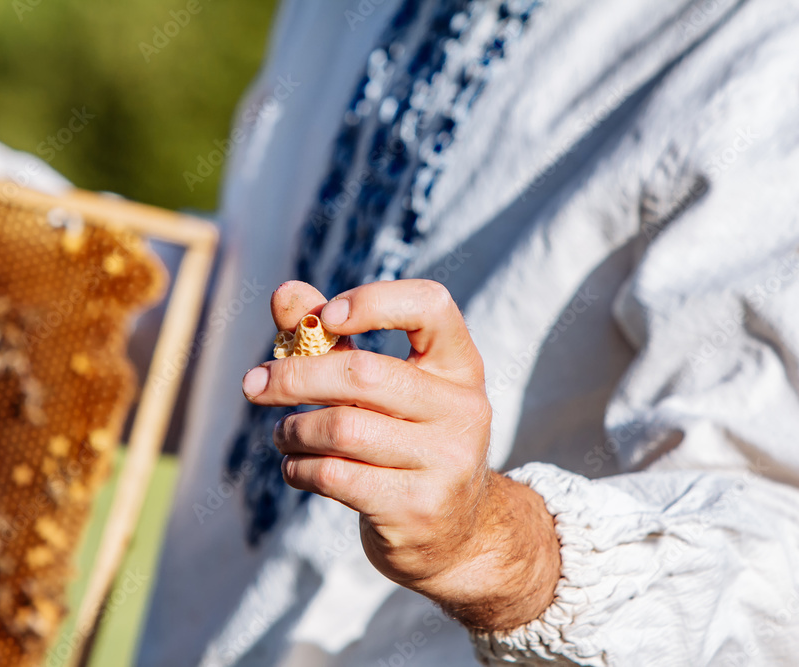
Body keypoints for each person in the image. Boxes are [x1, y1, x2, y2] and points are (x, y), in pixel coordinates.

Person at [140, 1, 799, 665]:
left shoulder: (769, 53)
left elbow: (769, 565)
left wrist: (487, 542)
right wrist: (72, 274)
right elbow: (266, 312)